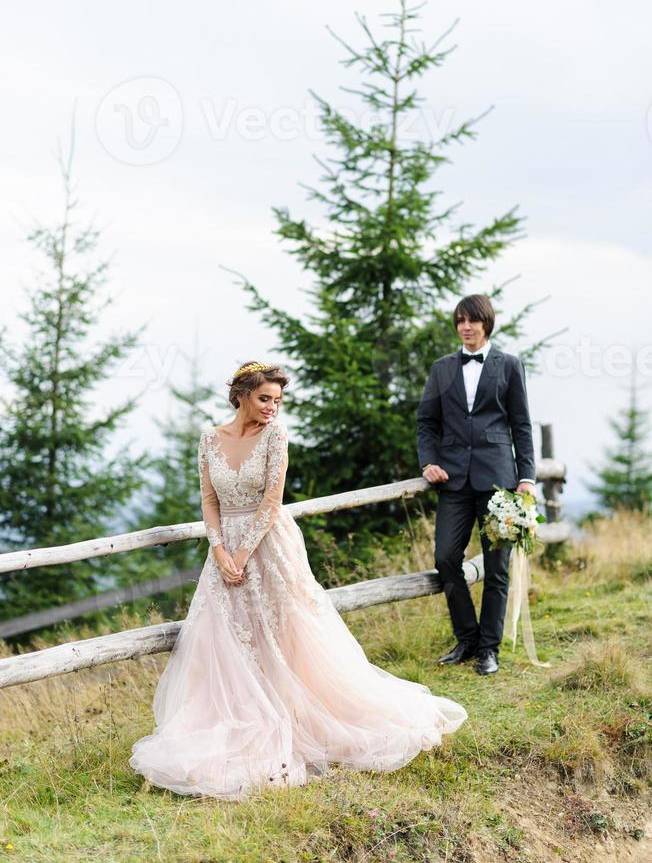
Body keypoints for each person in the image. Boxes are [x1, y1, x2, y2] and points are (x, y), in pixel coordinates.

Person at [129, 360, 468, 800]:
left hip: (268, 546)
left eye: (278, 400)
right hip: (223, 550)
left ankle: (301, 716)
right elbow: (208, 499)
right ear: (242, 396)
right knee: (228, 637)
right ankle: (236, 720)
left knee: (286, 633)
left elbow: (272, 500)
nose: (272, 407)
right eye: (265, 398)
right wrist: (218, 550)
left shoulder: (276, 435)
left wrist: (244, 553)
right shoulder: (210, 438)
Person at [416, 295, 537, 676]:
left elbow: (521, 424)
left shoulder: (510, 366)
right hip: (453, 479)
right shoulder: (441, 368)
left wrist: (527, 476)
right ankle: (467, 638)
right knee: (445, 558)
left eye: (472, 320)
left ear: (487, 323)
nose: (465, 327)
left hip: (498, 481)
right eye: (460, 321)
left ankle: (489, 649)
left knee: (497, 568)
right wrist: (429, 461)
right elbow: (427, 423)